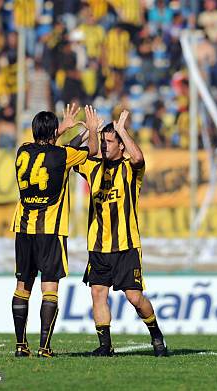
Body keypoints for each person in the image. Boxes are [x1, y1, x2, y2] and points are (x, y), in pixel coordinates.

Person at [72, 110, 168, 357]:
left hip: (126, 246)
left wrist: (123, 130)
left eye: (109, 142)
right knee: (97, 293)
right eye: (102, 142)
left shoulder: (130, 168)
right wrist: (88, 131)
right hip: (98, 245)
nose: (103, 146)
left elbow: (138, 157)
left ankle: (156, 334)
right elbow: (66, 155)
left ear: (121, 146)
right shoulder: (92, 166)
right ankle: (105, 346)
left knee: (135, 298)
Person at [11, 104, 98, 358]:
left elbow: (45, 146)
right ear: (54, 133)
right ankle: (44, 347)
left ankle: (20, 346)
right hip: (50, 229)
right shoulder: (62, 155)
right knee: (49, 288)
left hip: (23, 227)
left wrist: (61, 129)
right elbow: (91, 149)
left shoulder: (22, 151)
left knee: (22, 286)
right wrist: (91, 129)